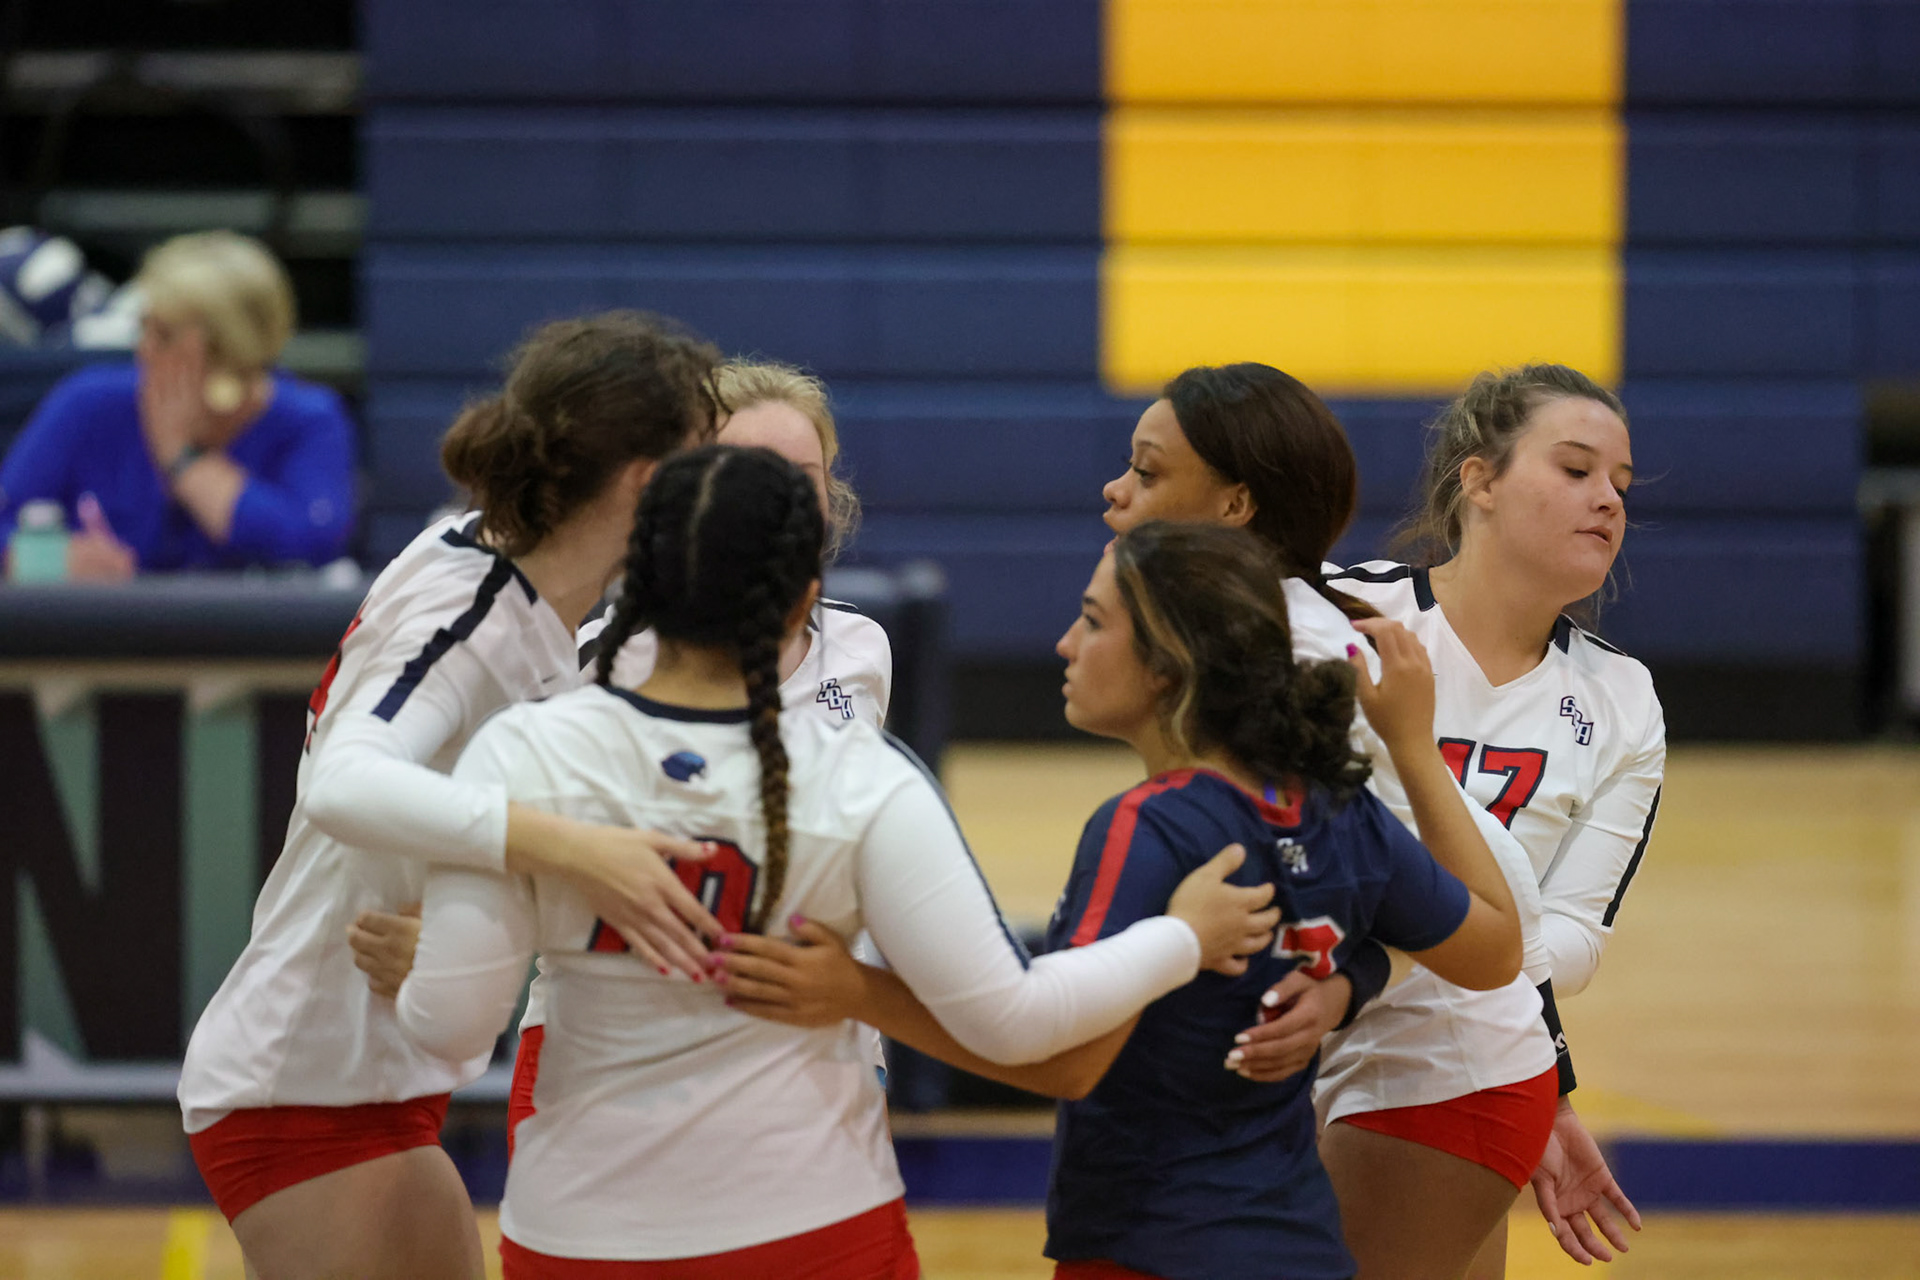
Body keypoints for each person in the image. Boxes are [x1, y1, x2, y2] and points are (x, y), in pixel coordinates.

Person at [391, 445, 1280, 1277]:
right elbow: (1017, 1022)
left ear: (631, 580)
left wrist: (424, 970)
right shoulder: (862, 779)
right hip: (812, 1227)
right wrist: (1182, 937)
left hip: (576, 1231)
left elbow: (451, 1030)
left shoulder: (521, 752)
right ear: (804, 601)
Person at [717, 521, 1529, 1280]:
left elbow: (1064, 1057)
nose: (1065, 644)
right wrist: (1359, 957)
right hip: (1300, 1244)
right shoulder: (1338, 809)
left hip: (1152, 1247)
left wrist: (855, 990)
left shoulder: (1153, 826)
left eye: (1093, 622)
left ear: (1166, 665)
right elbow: (1495, 950)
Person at [178, 312, 733, 1280]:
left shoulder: (536, 596)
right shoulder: (471, 605)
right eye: (706, 459)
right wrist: (559, 845)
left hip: (378, 1077)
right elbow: (343, 780)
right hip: (299, 1085)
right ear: (647, 481)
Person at [1303, 365, 1662, 1276]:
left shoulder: (1623, 700)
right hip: (1292, 1034)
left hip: (1452, 1061)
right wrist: (1483, 928)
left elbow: (1575, 941)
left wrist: (1536, 1067)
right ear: (1480, 480)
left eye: (1619, 485)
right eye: (1577, 469)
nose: (1608, 502)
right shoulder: (1340, 615)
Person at [0, 230, 356, 578]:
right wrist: (47, 562)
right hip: (102, 635)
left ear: (230, 352)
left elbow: (314, 544)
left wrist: (184, 458)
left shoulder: (310, 418)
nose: (144, 350)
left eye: (165, 336)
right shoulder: (91, 402)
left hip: (244, 636)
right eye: (144, 329)